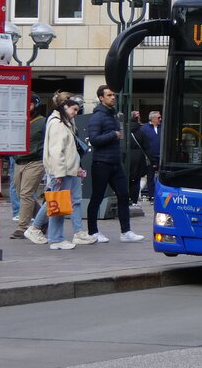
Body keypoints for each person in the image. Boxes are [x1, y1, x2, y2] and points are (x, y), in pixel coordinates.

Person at [85, 84, 143, 243]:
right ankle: (92, 232)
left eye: (113, 95)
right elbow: (94, 140)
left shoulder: (114, 115)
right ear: (101, 98)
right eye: (109, 95)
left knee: (124, 195)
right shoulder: (97, 116)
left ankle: (126, 232)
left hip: (115, 163)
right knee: (96, 197)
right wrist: (113, 134)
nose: (113, 97)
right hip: (101, 163)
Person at [43, 91, 94, 250]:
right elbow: (57, 151)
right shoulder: (58, 124)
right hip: (62, 171)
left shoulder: (62, 122)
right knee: (58, 204)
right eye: (74, 109)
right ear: (65, 107)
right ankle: (55, 238)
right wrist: (58, 173)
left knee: (59, 204)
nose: (76, 113)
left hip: (66, 170)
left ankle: (54, 236)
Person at [11, 96, 47, 240]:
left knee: (26, 194)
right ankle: (43, 220)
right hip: (19, 161)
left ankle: (22, 227)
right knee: (22, 194)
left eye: (30, 103)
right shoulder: (18, 120)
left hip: (35, 161)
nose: (27, 106)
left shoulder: (42, 122)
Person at [137, 110, 162, 199]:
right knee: (150, 177)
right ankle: (151, 195)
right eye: (158, 118)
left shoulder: (162, 128)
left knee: (162, 177)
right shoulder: (144, 129)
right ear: (153, 118)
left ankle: (160, 195)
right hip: (149, 157)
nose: (160, 119)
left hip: (161, 157)